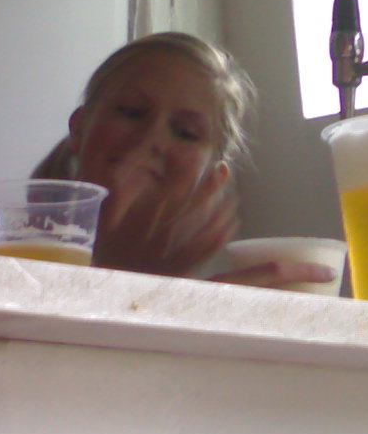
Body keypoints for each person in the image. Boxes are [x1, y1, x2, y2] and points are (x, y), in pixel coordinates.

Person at [33, 31, 334, 286]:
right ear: (79, 128)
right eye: (131, 112)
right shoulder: (17, 253)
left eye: (186, 133)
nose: (151, 139)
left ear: (213, 179)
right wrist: (130, 276)